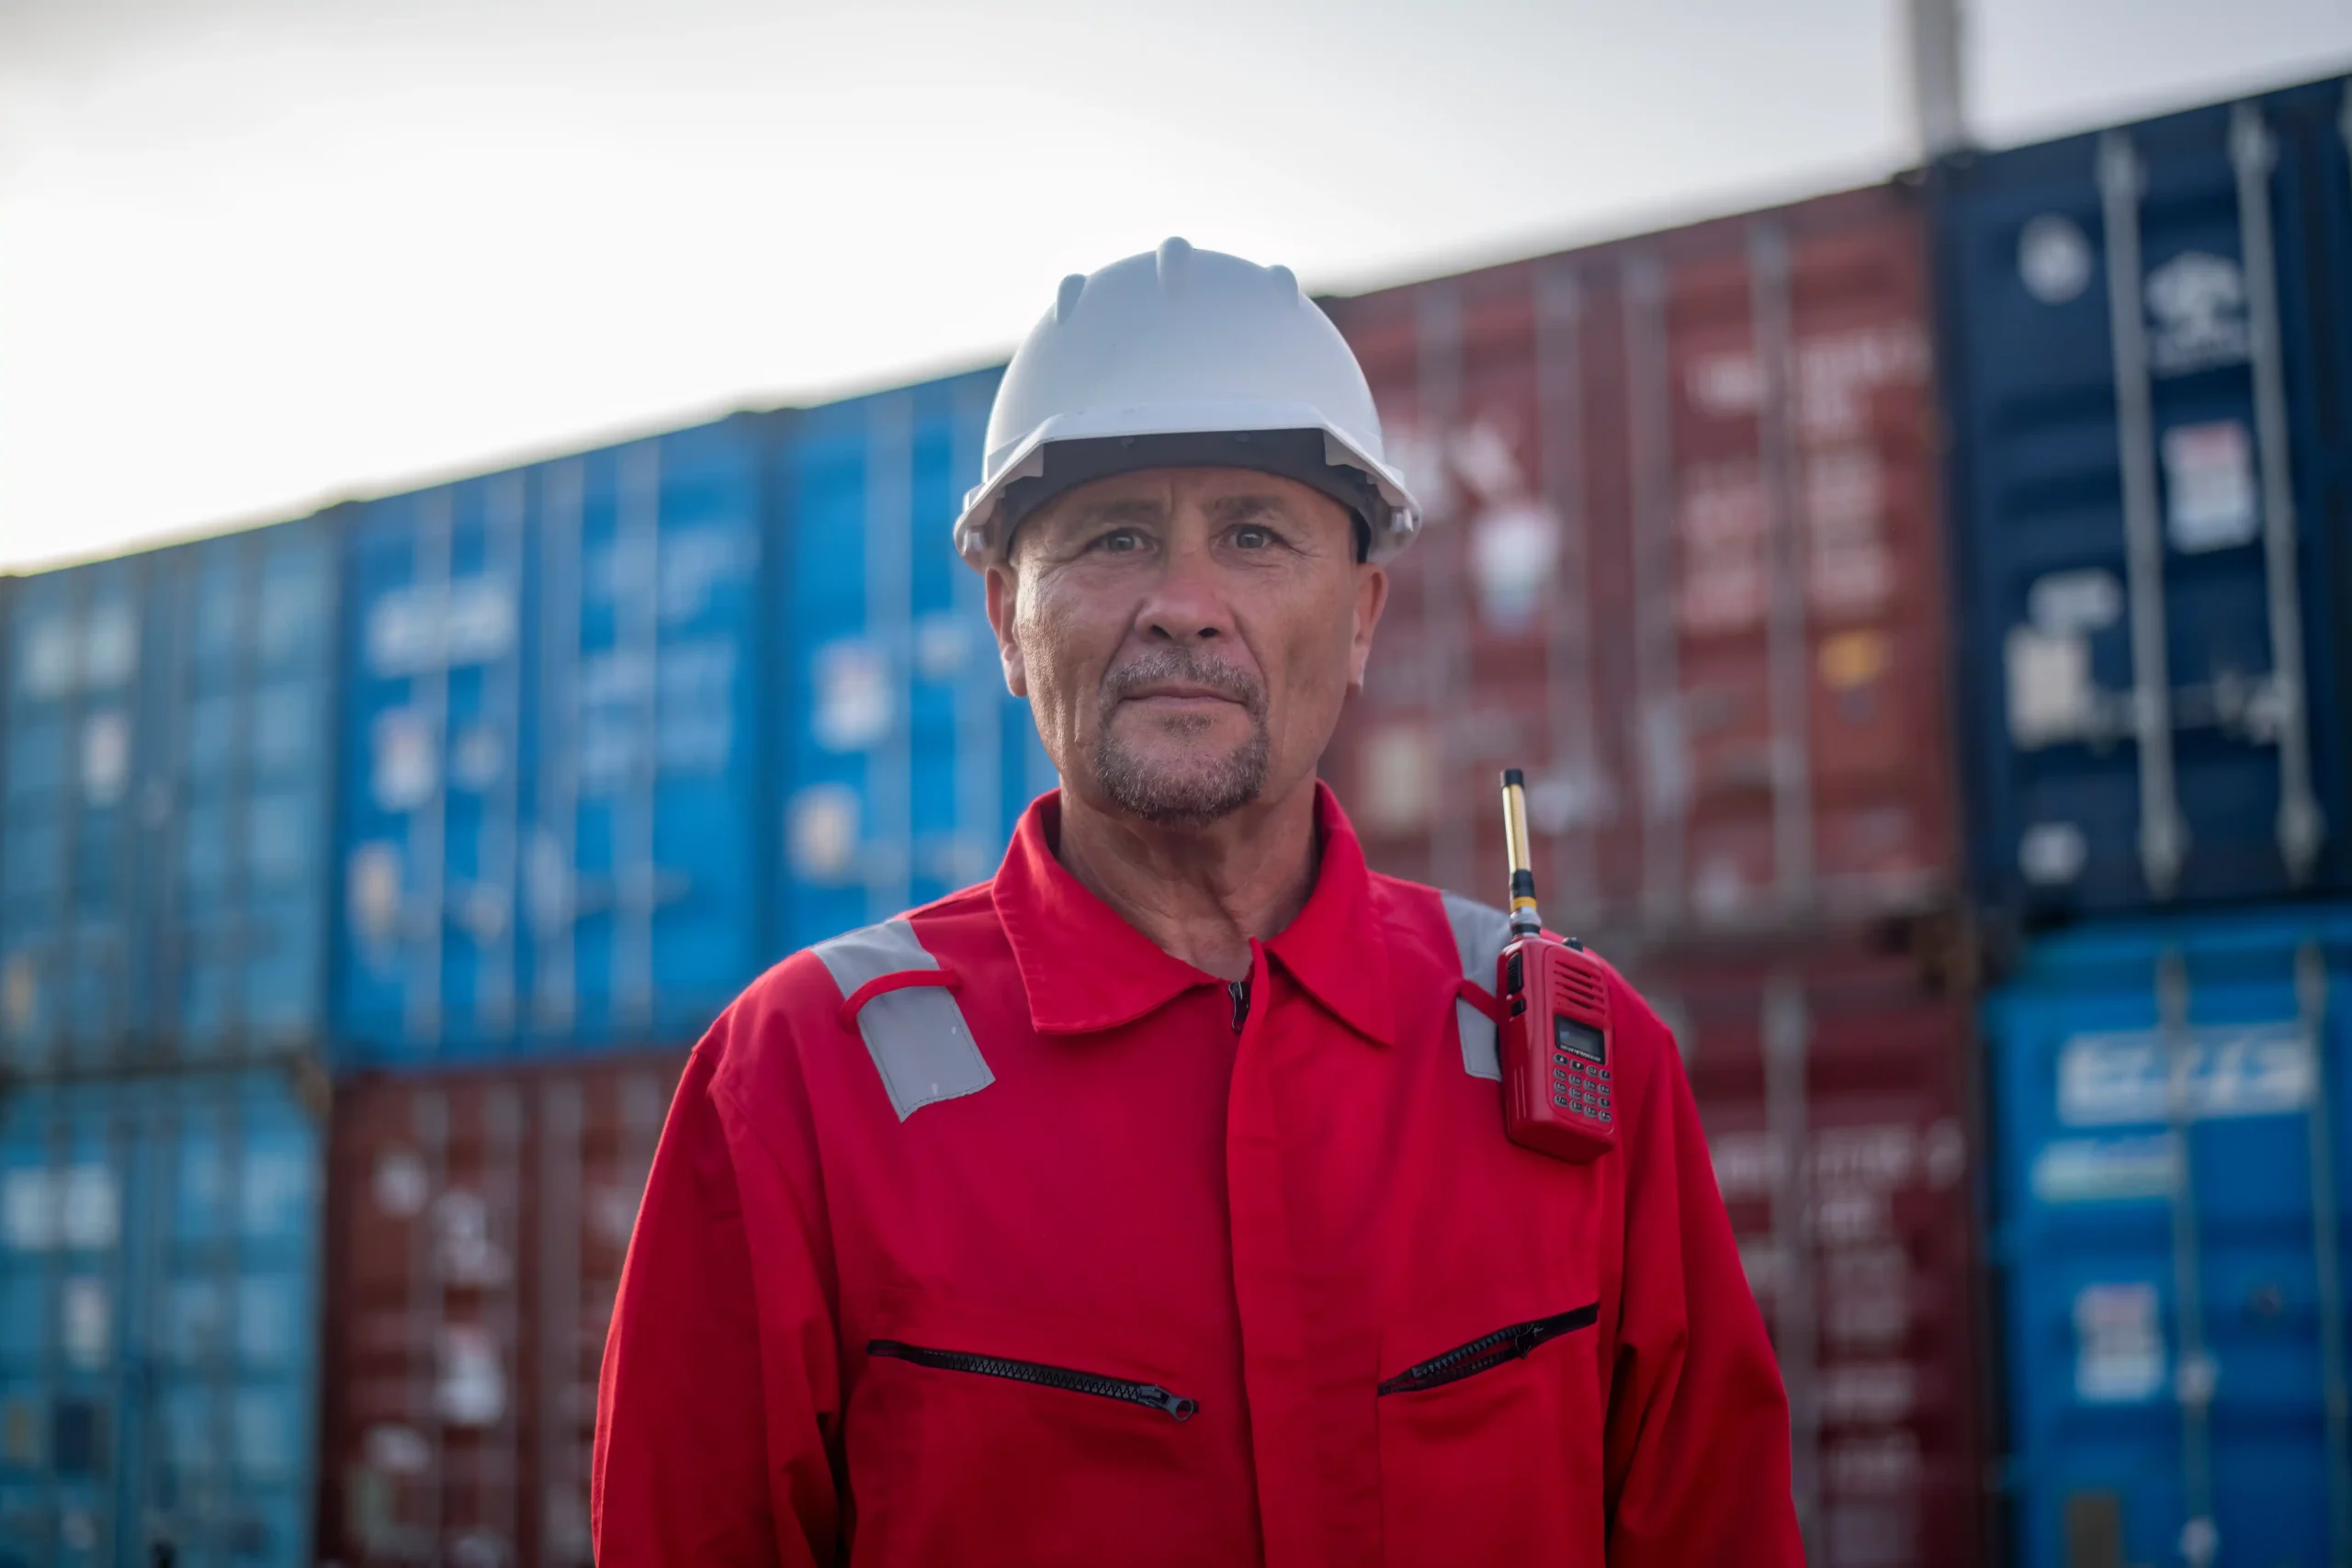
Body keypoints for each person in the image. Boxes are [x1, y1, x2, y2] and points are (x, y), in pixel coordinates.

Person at [593, 238, 1804, 1567]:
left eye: (1254, 533)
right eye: (1116, 537)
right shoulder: (797, 1084)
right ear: (1006, 620)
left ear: (1360, 620)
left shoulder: (1587, 1069)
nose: (1185, 605)